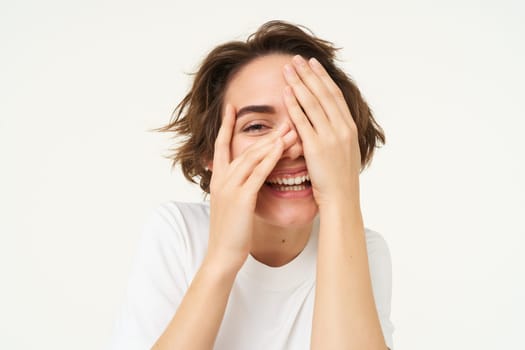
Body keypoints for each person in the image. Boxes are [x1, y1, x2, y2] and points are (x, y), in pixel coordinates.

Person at [109, 20, 394, 350]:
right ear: (210, 154)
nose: (293, 146)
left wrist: (341, 199)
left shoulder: (365, 250)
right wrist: (223, 257)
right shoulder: (178, 233)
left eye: (311, 119)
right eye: (257, 126)